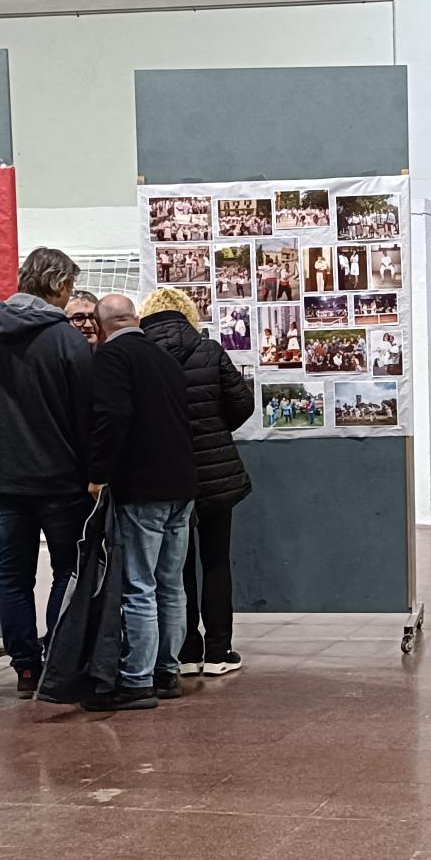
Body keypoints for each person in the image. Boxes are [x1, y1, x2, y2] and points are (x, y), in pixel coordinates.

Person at [0, 248, 93, 698]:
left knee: (12, 576)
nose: (68, 296)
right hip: (59, 480)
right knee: (68, 571)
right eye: (69, 287)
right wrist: (93, 471)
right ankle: (59, 659)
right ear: (56, 286)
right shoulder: (67, 340)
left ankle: (26, 670)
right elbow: (85, 414)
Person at [88, 294, 199, 709]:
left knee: (139, 585)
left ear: (102, 327)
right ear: (136, 319)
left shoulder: (111, 360)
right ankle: (166, 672)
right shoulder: (165, 360)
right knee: (172, 585)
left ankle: (136, 681)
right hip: (182, 485)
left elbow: (112, 416)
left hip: (142, 487)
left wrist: (98, 474)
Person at [140, 286, 254, 676]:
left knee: (175, 566)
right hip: (215, 472)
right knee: (217, 560)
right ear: (188, 313)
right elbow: (243, 403)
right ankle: (219, 653)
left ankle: (186, 651)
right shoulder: (209, 350)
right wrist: (217, 429)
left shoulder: (142, 354)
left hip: (166, 472)